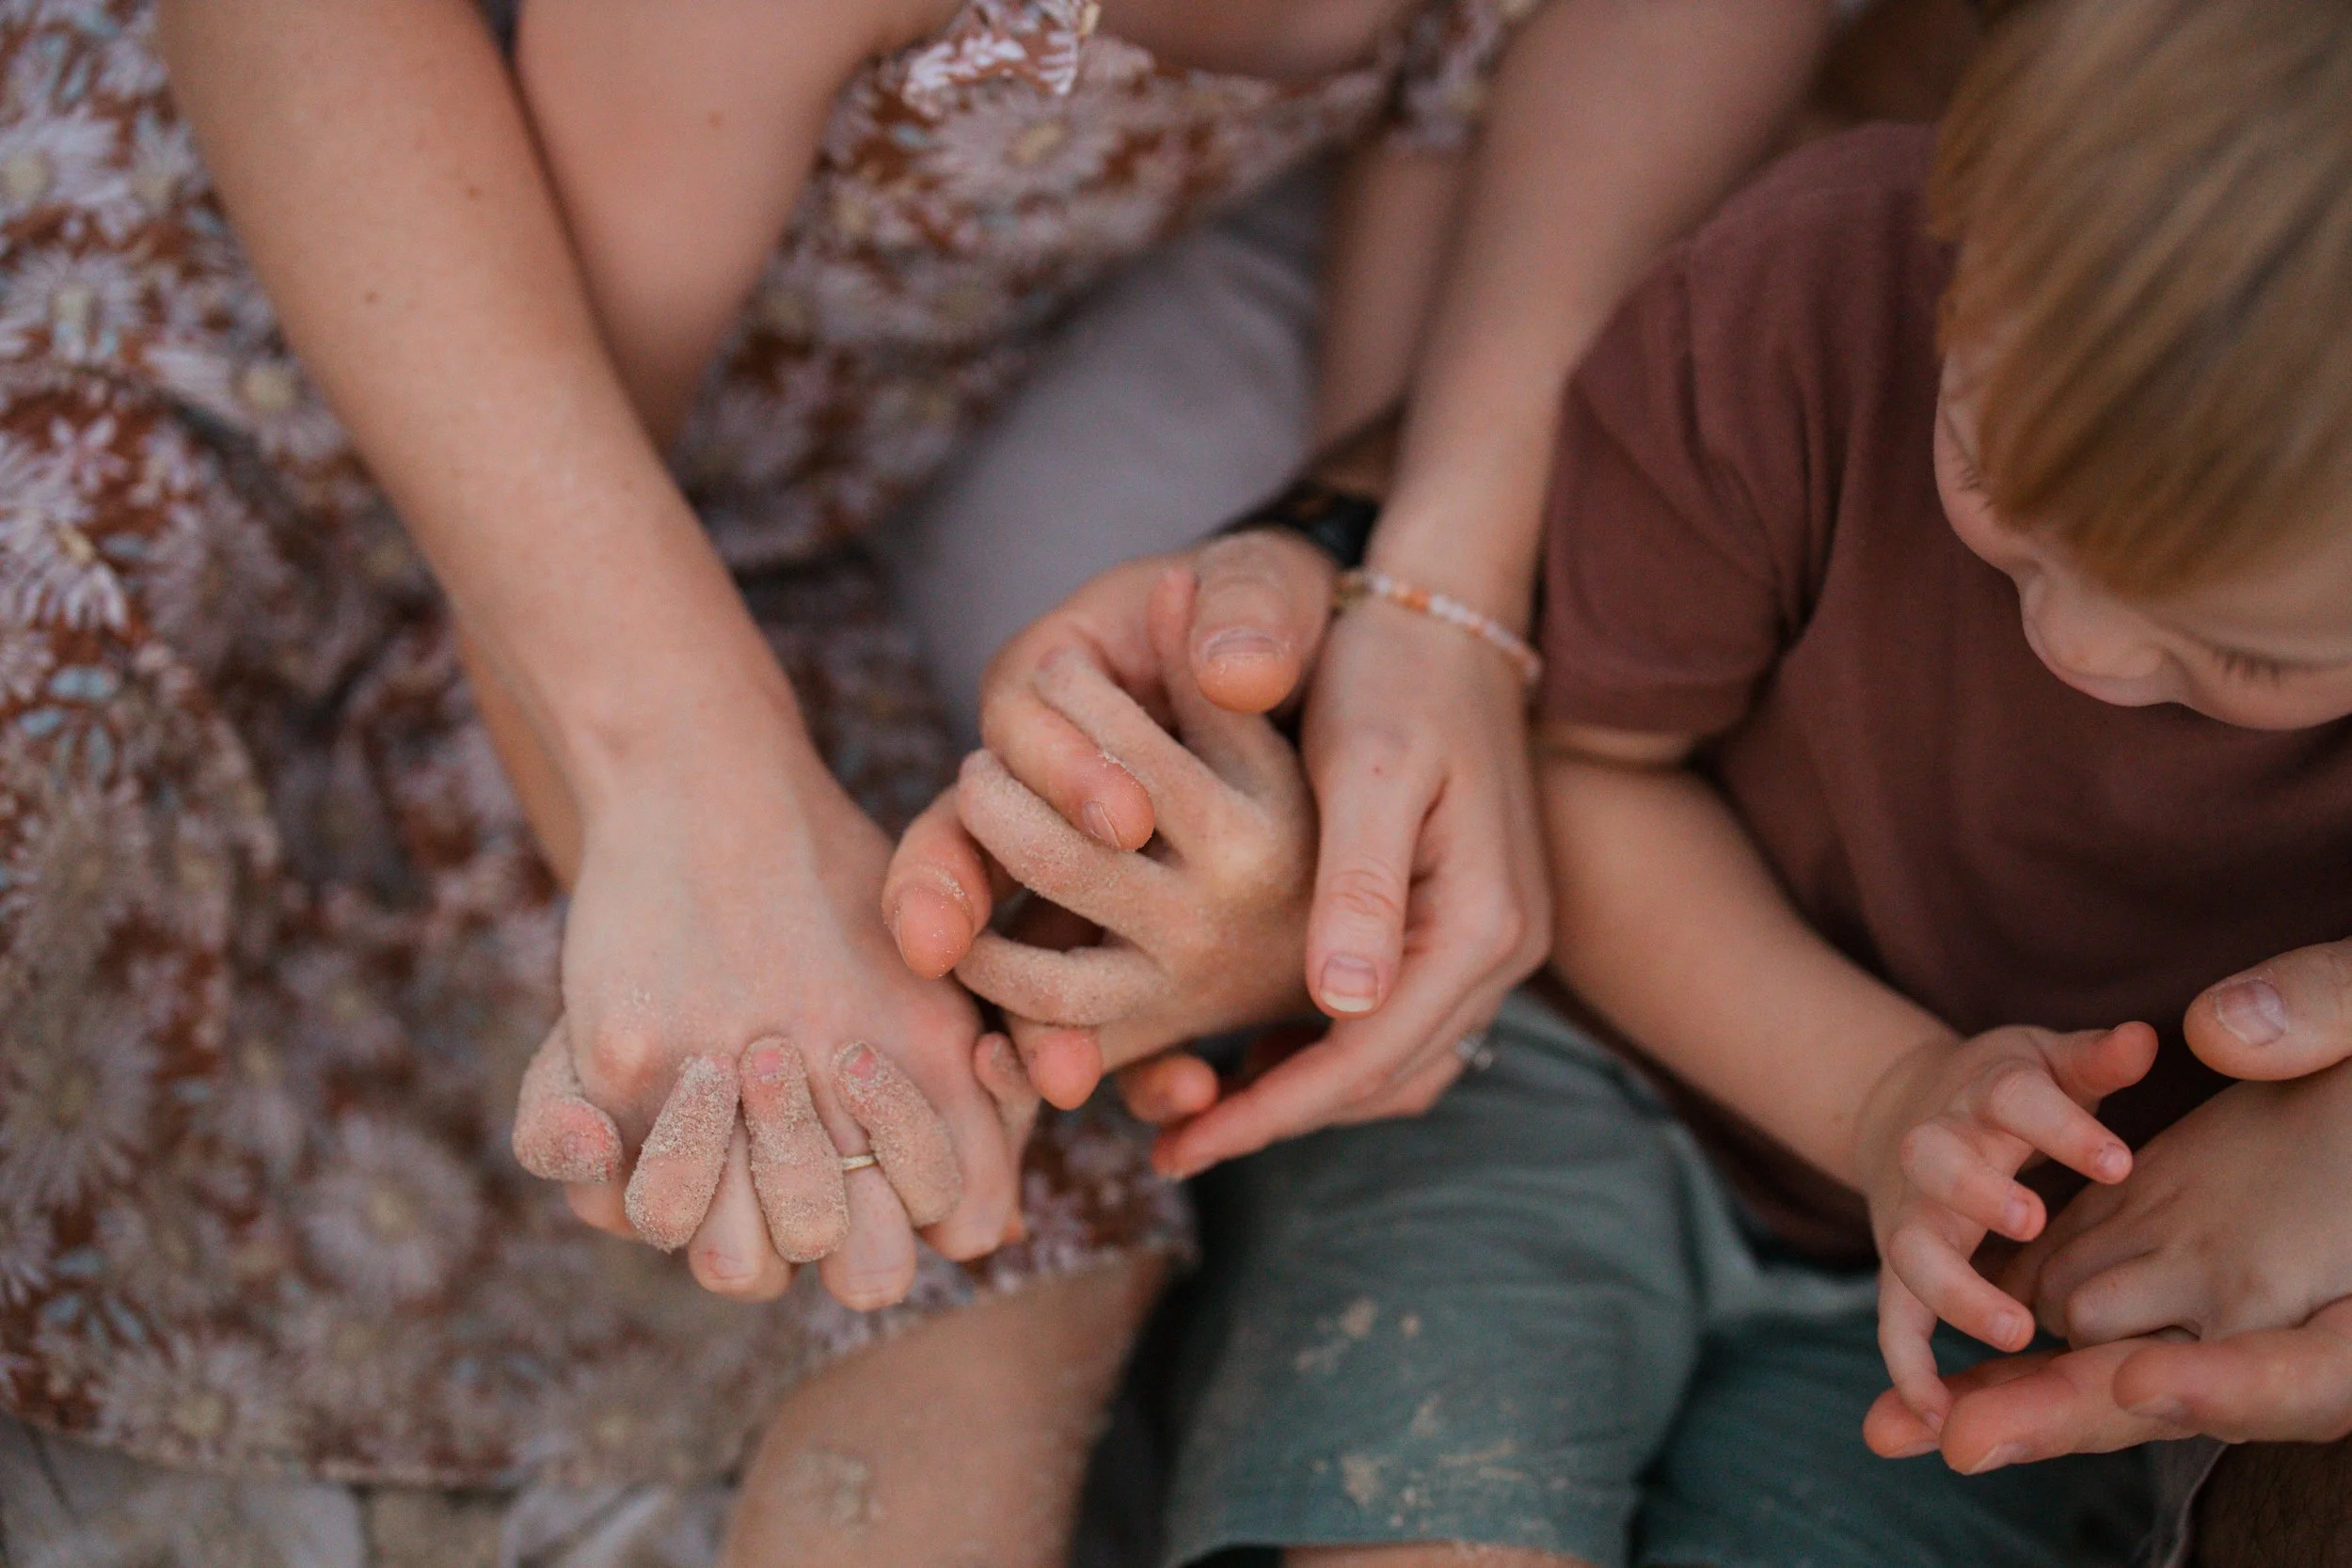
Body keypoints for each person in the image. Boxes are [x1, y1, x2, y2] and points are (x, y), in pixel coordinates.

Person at [909, 0, 2352, 1560]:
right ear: (1966, 219)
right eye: (1993, 478)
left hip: (2013, 1270)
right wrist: (1879, 1096)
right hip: (1567, 1069)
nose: (2075, 640)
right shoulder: (1813, 299)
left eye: (2242, 657)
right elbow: (1581, 773)